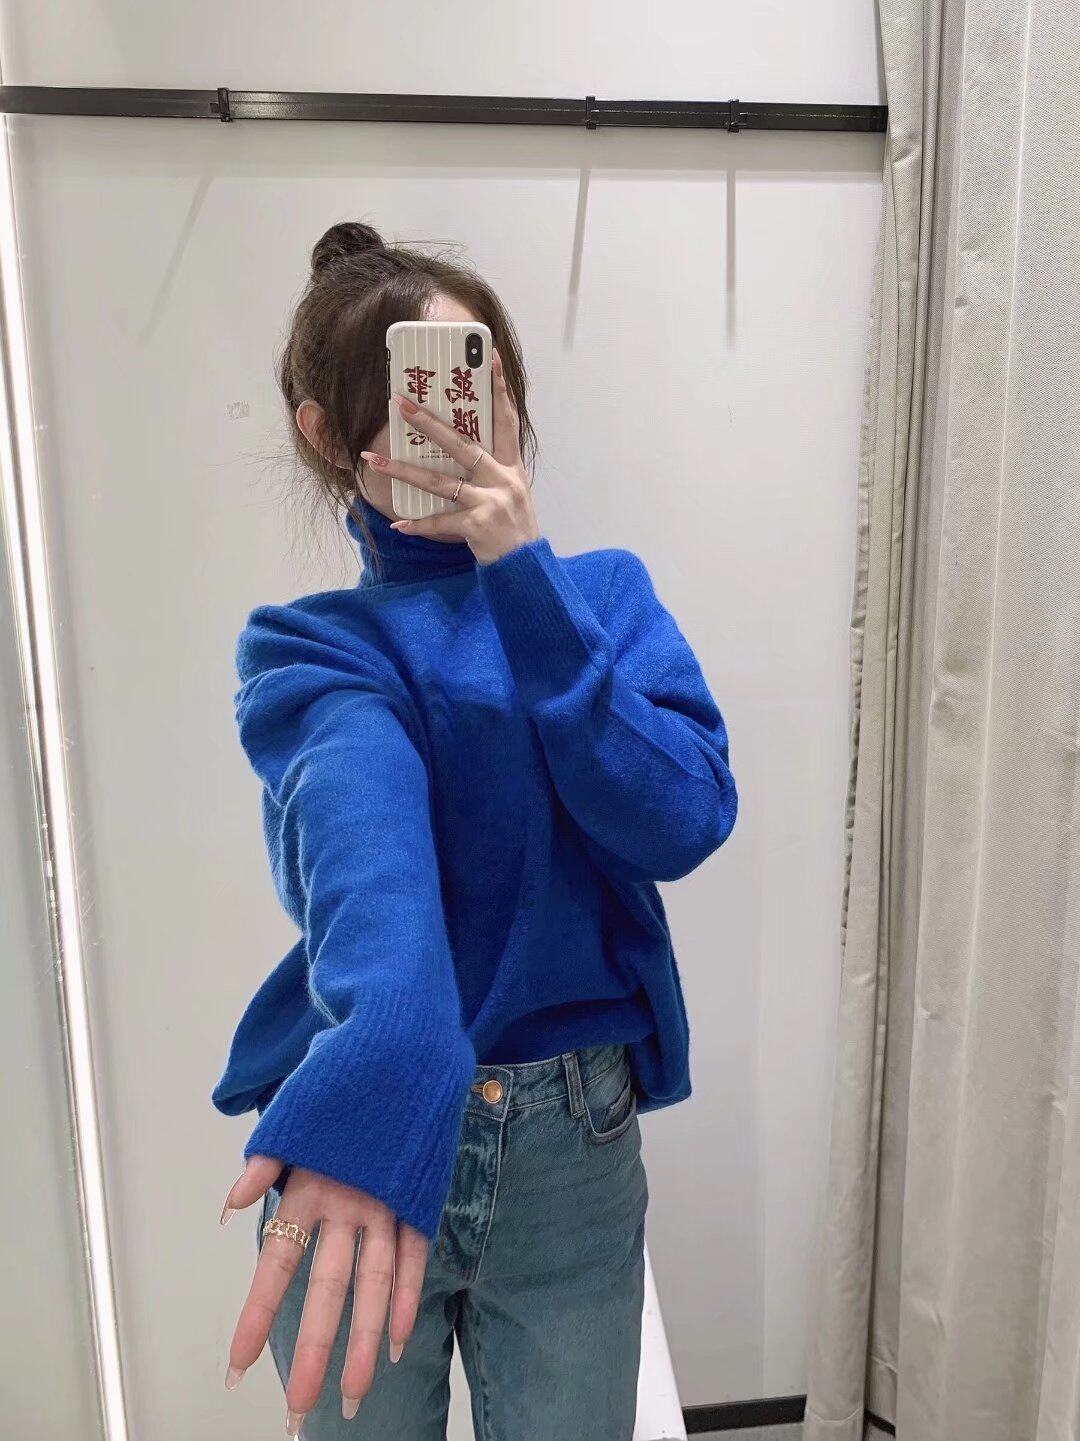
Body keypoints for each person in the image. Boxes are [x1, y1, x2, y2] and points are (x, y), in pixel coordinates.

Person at [211, 220, 738, 1440]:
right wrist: (391, 1049)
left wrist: (524, 576)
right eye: (424, 389)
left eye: (478, 380)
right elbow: (367, 857)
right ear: (328, 433)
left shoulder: (600, 597)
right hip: (364, 1120)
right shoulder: (313, 648)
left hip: (570, 1145)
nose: (462, 420)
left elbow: (680, 817)